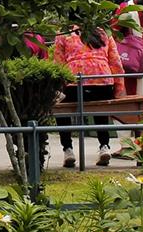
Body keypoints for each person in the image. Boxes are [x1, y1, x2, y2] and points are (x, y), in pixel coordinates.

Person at [51, 28, 127, 167]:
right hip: (102, 82)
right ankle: (104, 146)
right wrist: (119, 89)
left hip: (73, 82)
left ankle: (68, 149)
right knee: (101, 108)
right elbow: (115, 62)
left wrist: (57, 88)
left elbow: (58, 64)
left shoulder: (63, 34)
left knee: (62, 109)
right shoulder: (104, 32)